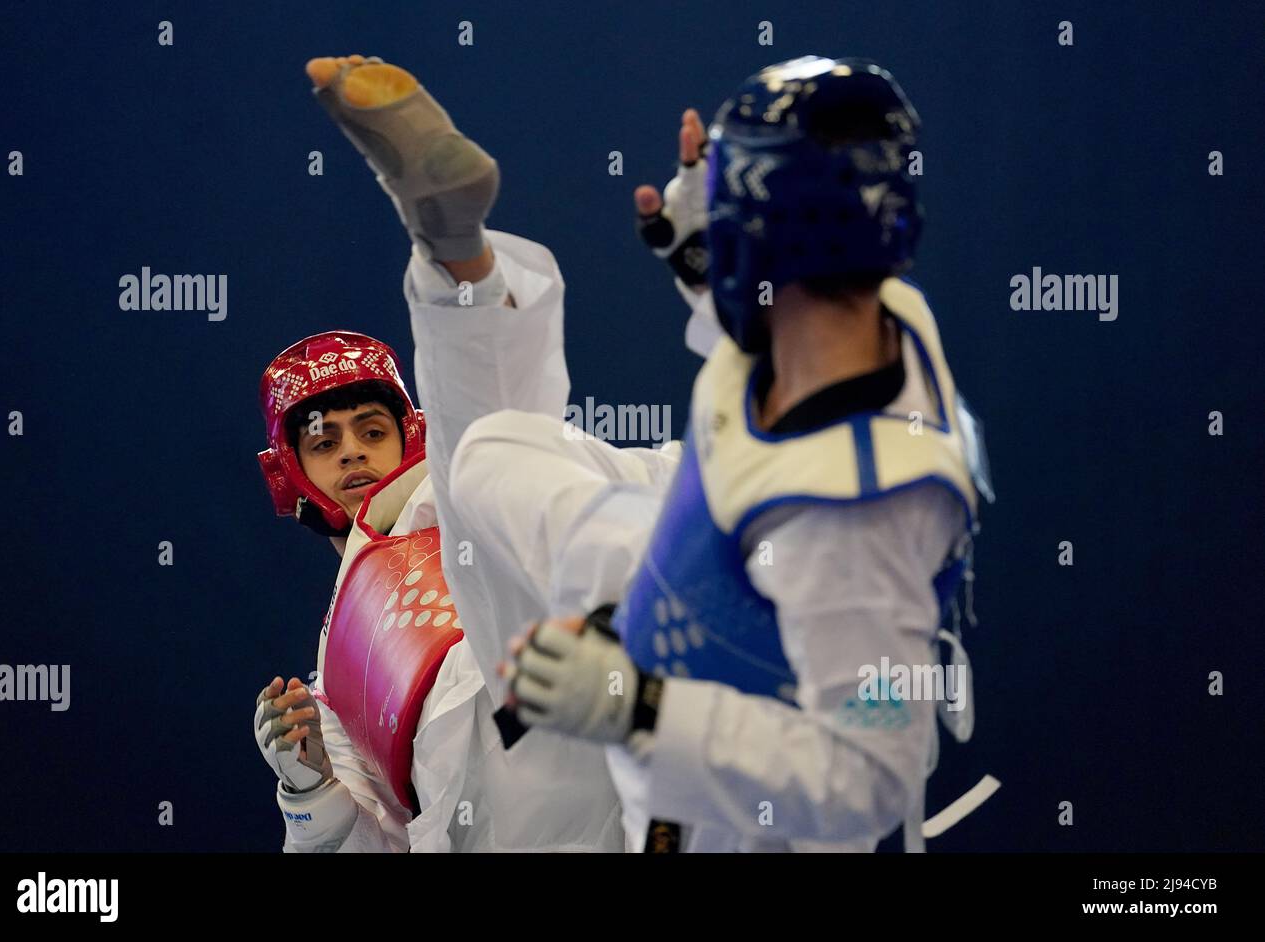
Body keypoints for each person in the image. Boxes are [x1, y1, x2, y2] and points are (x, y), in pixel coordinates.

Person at [470, 56, 995, 851]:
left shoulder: (854, 516)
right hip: (702, 594)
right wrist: (703, 262)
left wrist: (634, 705)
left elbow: (868, 777)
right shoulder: (886, 312)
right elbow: (779, 329)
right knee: (494, 449)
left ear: (766, 240)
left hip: (734, 816)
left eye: (725, 212)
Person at [250, 54, 624, 853]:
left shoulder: (438, 495)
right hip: (490, 824)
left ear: (408, 434)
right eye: (324, 442)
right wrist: (307, 786)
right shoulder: (334, 670)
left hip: (580, 695)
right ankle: (458, 265)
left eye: (372, 429)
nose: (353, 452)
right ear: (290, 477)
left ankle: (457, 257)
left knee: (494, 475)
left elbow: (510, 461)